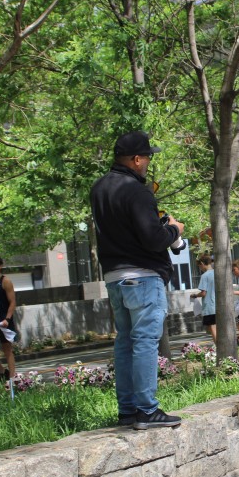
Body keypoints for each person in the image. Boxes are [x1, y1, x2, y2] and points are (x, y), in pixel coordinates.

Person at [91, 130, 185, 430]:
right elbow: (153, 238)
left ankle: (128, 410)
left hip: (114, 276)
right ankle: (147, 410)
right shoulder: (137, 191)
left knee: (125, 342)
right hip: (143, 276)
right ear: (135, 159)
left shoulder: (99, 189)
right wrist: (174, 230)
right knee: (145, 341)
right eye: (147, 158)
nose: (148, 163)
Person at [190, 254, 217, 343]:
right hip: (218, 305)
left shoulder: (204, 276)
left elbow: (203, 293)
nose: (200, 268)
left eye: (199, 266)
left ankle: (219, 346)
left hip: (210, 307)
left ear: (202, 263)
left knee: (212, 328)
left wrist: (195, 295)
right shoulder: (217, 273)